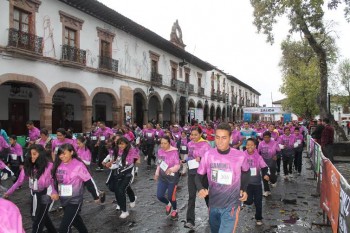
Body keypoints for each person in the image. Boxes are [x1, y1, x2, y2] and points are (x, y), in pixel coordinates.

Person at [196, 123, 250, 233]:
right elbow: (198, 176)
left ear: (230, 138)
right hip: (213, 204)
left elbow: (246, 172)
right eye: (217, 137)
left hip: (231, 205)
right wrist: (200, 188)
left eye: (224, 138)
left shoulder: (240, 155)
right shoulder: (208, 155)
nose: (220, 141)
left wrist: (244, 189)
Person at [51, 143, 105, 233]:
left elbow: (89, 181)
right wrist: (54, 191)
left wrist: (96, 196)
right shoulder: (58, 164)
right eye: (60, 154)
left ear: (71, 152)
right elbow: (55, 180)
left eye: (64, 153)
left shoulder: (78, 165)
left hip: (75, 200)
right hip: (63, 199)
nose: (61, 156)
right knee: (76, 220)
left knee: (64, 228)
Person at [4, 144, 57, 233]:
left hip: (47, 194)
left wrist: (54, 192)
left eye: (34, 154)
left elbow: (54, 181)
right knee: (38, 216)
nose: (31, 156)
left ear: (41, 154)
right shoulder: (28, 166)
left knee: (38, 219)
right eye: (30, 154)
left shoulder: (50, 166)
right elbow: (19, 181)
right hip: (34, 194)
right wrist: (8, 192)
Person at [104, 137, 139, 218]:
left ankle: (124, 210)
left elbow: (133, 161)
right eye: (119, 144)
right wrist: (110, 164)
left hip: (129, 174)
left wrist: (133, 160)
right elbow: (116, 162)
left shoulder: (131, 150)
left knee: (121, 189)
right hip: (119, 173)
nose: (120, 145)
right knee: (118, 188)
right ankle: (132, 198)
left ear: (126, 143)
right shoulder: (117, 150)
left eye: (122, 144)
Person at [185, 127, 211, 229]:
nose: (193, 137)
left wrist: (201, 159)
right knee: (191, 196)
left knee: (206, 195)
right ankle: (190, 221)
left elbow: (209, 159)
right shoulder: (190, 143)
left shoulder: (206, 145)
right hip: (192, 172)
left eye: (196, 135)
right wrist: (185, 160)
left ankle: (212, 214)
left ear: (200, 134)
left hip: (202, 175)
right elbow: (189, 155)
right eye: (192, 135)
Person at [244, 138, 269, 226]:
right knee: (249, 201)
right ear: (245, 146)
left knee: (258, 202)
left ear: (255, 146)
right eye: (248, 145)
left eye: (251, 145)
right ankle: (245, 201)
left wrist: (266, 174)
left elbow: (265, 167)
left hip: (257, 183)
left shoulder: (259, 157)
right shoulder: (242, 156)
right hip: (246, 184)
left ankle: (258, 218)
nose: (249, 146)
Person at [154, 136, 181, 221]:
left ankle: (175, 210)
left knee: (171, 196)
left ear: (169, 143)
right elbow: (159, 163)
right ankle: (168, 204)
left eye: (165, 143)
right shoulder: (160, 151)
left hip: (172, 179)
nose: (163, 145)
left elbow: (178, 165)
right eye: (161, 143)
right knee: (159, 196)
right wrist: (156, 173)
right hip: (163, 178)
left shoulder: (174, 152)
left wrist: (171, 169)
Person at [258, 131, 280, 196]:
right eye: (265, 137)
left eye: (268, 137)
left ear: (270, 137)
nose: (266, 139)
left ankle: (273, 180)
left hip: (272, 162)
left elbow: (279, 152)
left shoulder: (275, 143)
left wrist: (277, 156)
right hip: (263, 163)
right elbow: (258, 153)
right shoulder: (261, 144)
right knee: (264, 176)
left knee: (271, 175)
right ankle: (266, 190)